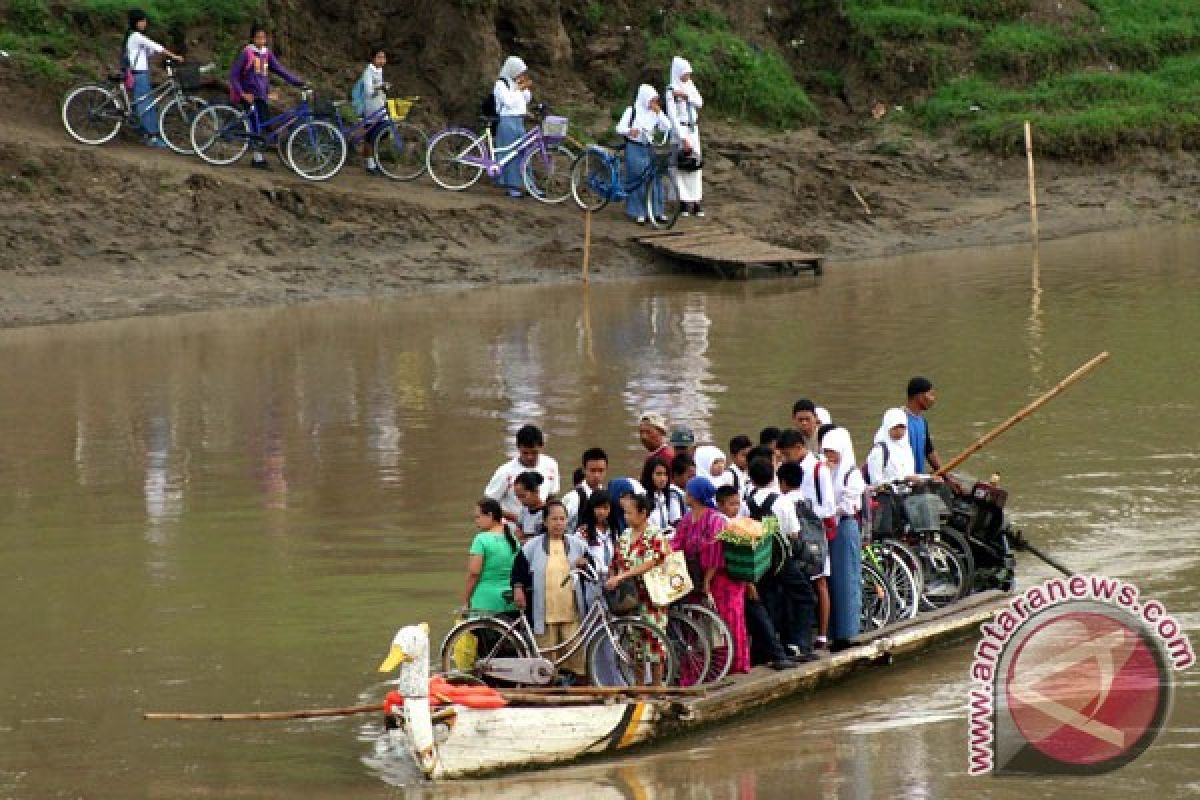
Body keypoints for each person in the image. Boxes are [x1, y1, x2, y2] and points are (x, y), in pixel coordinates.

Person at [673, 477, 750, 674]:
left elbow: (715, 552)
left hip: (721, 579)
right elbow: (676, 544)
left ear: (696, 495)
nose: (686, 495)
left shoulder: (715, 519)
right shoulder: (687, 519)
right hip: (697, 577)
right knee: (700, 622)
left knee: (726, 621)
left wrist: (707, 580)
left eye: (689, 492)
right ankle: (705, 667)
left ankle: (731, 665)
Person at [511, 500, 589, 680]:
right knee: (546, 660)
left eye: (562, 519)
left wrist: (584, 564)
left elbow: (591, 568)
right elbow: (518, 572)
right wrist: (518, 589)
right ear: (545, 522)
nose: (559, 523)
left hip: (571, 612)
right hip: (544, 614)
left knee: (577, 654)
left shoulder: (578, 545)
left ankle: (581, 689)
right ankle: (548, 691)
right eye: (554, 519)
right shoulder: (531, 546)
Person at [606, 492, 672, 684]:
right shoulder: (625, 536)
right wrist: (613, 578)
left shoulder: (655, 534)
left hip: (652, 597)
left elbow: (652, 561)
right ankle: (639, 686)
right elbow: (615, 562)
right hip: (630, 598)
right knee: (635, 645)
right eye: (624, 513)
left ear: (643, 513)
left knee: (654, 642)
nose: (626, 517)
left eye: (629, 513)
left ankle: (658, 686)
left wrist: (623, 576)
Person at [228, 24, 306, 169]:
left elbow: (279, 69)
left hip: (261, 95)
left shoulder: (266, 53)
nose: (261, 40)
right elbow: (234, 75)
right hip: (249, 95)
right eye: (258, 37)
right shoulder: (247, 53)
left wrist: (296, 82)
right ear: (252, 38)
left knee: (264, 124)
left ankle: (260, 157)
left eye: (263, 37)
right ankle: (258, 160)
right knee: (255, 126)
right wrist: (242, 93)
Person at [822, 427, 865, 650]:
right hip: (827, 529)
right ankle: (830, 631)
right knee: (829, 581)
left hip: (844, 529)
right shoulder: (824, 472)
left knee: (846, 580)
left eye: (833, 452)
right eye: (826, 451)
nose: (830, 456)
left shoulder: (852, 474)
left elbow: (848, 505)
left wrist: (830, 510)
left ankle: (847, 632)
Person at [122, 9, 184, 148]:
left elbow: (150, 51)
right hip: (139, 75)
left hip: (141, 74)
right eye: (142, 21)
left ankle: (144, 133)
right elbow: (156, 47)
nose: (145, 23)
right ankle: (151, 137)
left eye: (145, 20)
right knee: (146, 106)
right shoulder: (136, 36)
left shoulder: (135, 37)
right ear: (136, 22)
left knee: (146, 104)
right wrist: (175, 57)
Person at [776, 462, 818, 660]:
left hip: (779, 560)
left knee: (787, 600)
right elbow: (795, 533)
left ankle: (791, 644)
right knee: (806, 597)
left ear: (782, 481)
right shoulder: (805, 501)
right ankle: (802, 645)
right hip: (801, 558)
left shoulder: (778, 501)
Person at [615, 84, 672, 224]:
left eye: (655, 100)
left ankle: (657, 210)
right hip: (634, 147)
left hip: (649, 147)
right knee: (637, 179)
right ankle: (638, 211)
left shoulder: (654, 112)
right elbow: (619, 128)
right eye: (651, 100)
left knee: (655, 177)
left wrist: (660, 113)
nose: (653, 103)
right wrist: (629, 131)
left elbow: (667, 126)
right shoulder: (632, 111)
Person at [483, 423, 560, 522]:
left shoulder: (551, 465)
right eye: (525, 453)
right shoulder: (505, 472)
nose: (530, 457)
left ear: (542, 447)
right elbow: (488, 504)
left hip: (539, 527)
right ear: (518, 447)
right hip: (511, 529)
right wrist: (516, 518)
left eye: (534, 452)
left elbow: (551, 497)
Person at [462, 498, 520, 613]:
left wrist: (466, 599)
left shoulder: (481, 539)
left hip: (486, 600)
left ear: (490, 515)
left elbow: (474, 573)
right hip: (510, 599)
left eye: (478, 517)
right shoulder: (512, 539)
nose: (476, 521)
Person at [665, 56, 705, 217]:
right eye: (685, 73)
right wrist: (682, 137)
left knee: (694, 165)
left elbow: (699, 102)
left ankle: (695, 201)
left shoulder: (690, 86)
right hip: (680, 130)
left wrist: (686, 96)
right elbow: (672, 116)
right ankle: (681, 202)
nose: (687, 77)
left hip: (693, 128)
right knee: (680, 166)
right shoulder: (670, 89)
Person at [494, 56, 532, 198]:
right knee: (510, 155)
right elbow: (508, 102)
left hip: (519, 121)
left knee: (525, 153)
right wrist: (517, 88)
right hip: (507, 120)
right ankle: (512, 187)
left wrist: (524, 89)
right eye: (519, 72)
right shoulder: (501, 84)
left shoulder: (516, 83)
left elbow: (527, 99)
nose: (521, 75)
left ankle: (528, 184)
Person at [574, 489, 615, 611]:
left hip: (611, 578)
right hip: (593, 580)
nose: (601, 512)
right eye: (597, 508)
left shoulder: (613, 530)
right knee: (596, 614)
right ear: (591, 508)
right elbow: (576, 556)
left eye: (605, 508)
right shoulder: (583, 532)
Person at [357, 46, 389, 175]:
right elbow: (369, 91)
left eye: (384, 57)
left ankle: (372, 162)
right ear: (373, 58)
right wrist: (381, 87)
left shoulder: (379, 70)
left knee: (381, 134)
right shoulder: (368, 72)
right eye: (379, 57)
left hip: (379, 107)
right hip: (371, 108)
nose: (382, 60)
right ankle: (370, 165)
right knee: (371, 137)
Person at [865, 408, 917, 485]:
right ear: (888, 426)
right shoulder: (879, 450)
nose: (899, 431)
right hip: (888, 495)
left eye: (902, 427)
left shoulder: (906, 449)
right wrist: (902, 480)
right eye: (895, 427)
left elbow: (912, 475)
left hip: (908, 494)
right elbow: (875, 483)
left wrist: (930, 478)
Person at [562, 447, 608, 533]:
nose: (597, 475)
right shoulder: (573, 498)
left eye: (601, 471)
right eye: (593, 471)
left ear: (606, 470)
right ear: (584, 470)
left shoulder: (608, 496)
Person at [905, 376, 942, 473]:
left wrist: (943, 473)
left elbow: (929, 451)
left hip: (919, 478)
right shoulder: (899, 421)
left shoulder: (922, 422)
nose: (933, 399)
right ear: (920, 397)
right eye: (930, 395)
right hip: (904, 480)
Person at [642, 456, 685, 530]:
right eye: (658, 474)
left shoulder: (666, 496)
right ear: (649, 475)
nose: (663, 479)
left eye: (665, 474)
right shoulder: (642, 498)